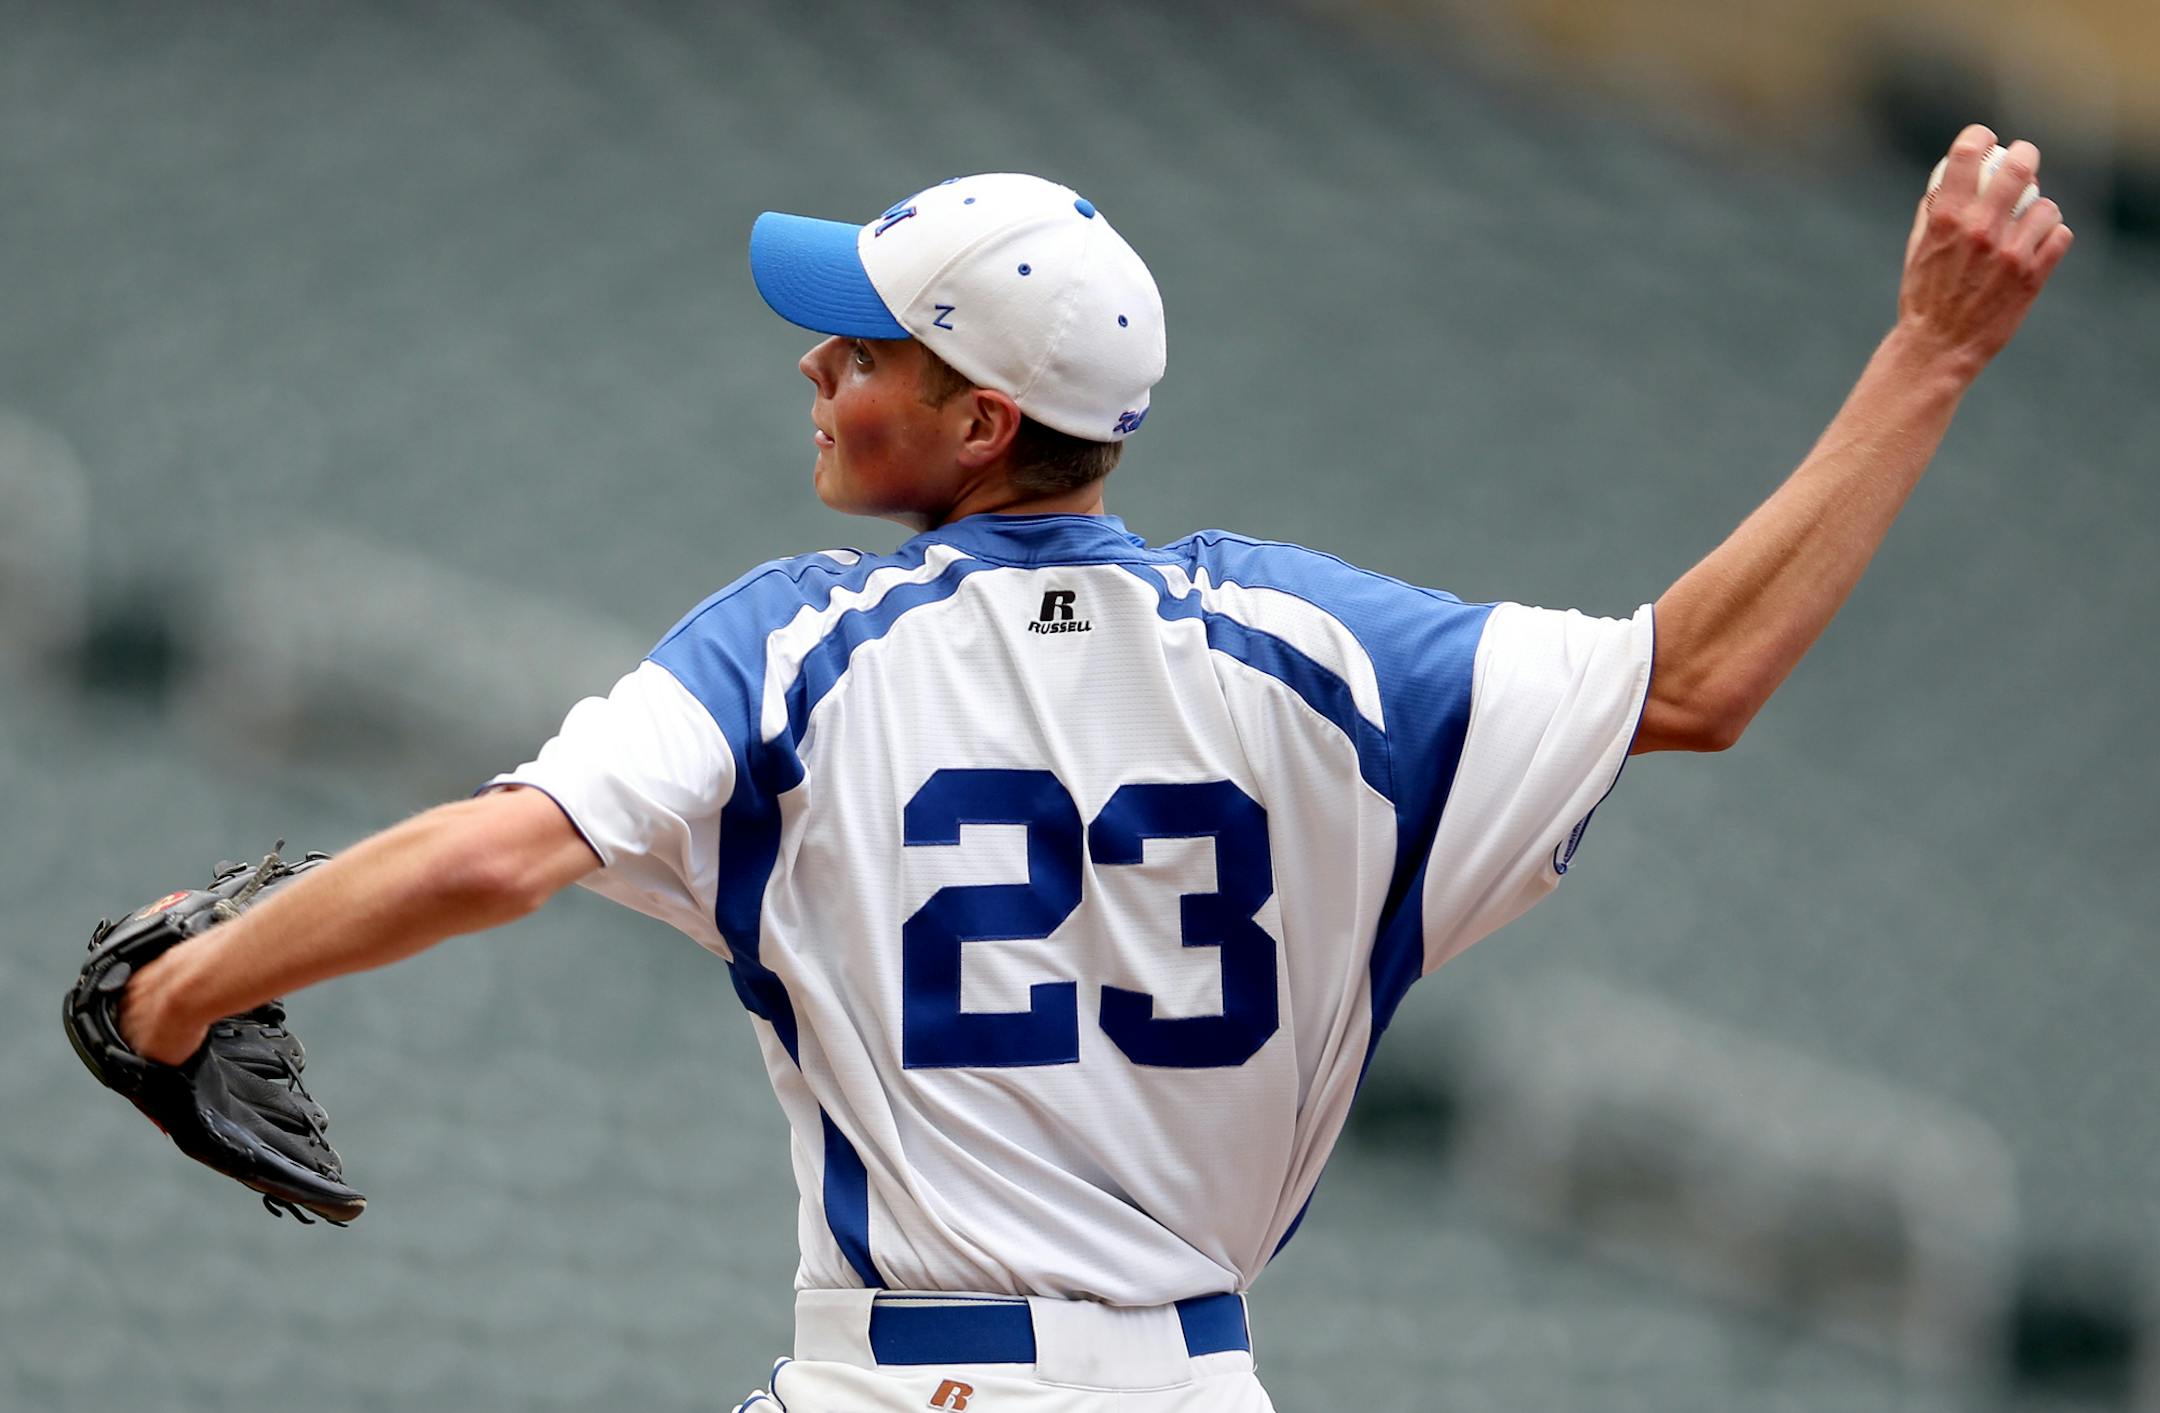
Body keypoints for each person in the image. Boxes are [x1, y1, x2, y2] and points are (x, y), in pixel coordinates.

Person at [116, 129, 2071, 1411]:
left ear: (977, 417)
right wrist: (1930, 350)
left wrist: (190, 987)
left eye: (861, 347)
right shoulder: (1333, 656)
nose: (817, 364)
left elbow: (496, 856)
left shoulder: (798, 643)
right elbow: (1703, 674)